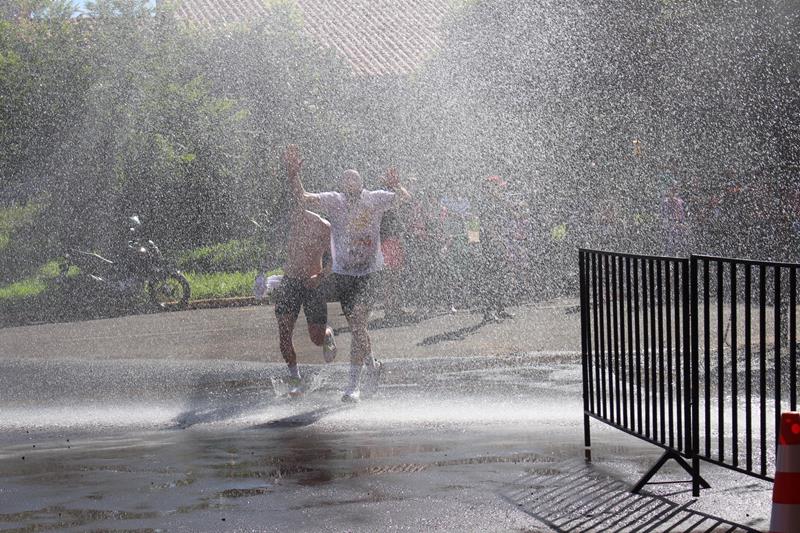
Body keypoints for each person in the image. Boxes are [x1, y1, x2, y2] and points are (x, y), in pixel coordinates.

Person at [285, 144, 411, 402]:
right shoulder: (335, 201)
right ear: (342, 187)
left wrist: (396, 185)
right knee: (358, 327)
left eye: (354, 181)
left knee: (358, 326)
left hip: (370, 273)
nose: (350, 186)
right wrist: (293, 175)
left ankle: (352, 386)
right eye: (346, 182)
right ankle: (373, 366)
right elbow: (304, 198)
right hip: (345, 275)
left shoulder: (374, 199)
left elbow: (404, 198)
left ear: (362, 185)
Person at [274, 175, 337, 398]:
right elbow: (270, 255)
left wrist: (320, 276)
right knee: (284, 335)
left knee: (316, 338)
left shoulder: (322, 226)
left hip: (313, 283)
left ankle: (328, 334)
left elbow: (333, 261)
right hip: (290, 282)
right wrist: (264, 278)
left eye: (296, 203)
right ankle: (295, 379)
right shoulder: (285, 227)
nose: (292, 210)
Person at [478, 175, 515, 322]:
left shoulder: (495, 201)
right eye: (498, 187)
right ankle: (489, 312)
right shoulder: (486, 203)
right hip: (490, 245)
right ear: (491, 188)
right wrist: (498, 241)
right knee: (491, 279)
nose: (501, 189)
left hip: (497, 243)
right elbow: (488, 226)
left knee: (501, 277)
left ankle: (500, 309)